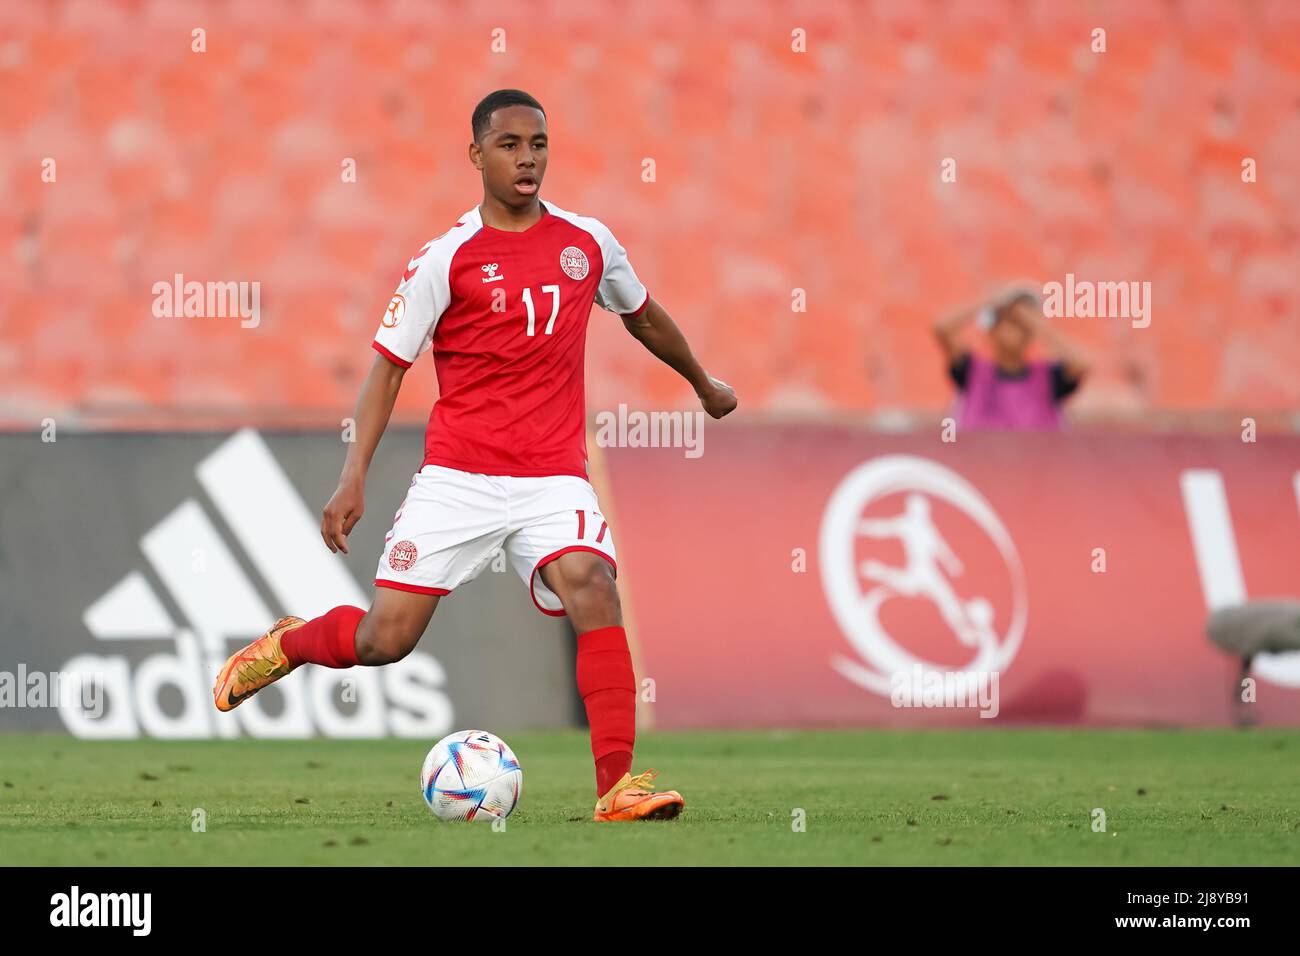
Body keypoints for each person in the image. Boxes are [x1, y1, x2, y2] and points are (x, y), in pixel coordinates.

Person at [212, 89, 737, 822]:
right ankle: (290, 645)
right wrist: (352, 474)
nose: (527, 159)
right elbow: (388, 367)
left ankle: (619, 788)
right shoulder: (445, 259)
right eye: (510, 145)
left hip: (553, 476)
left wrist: (704, 384)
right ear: (476, 155)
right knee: (383, 639)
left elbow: (642, 315)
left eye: (539, 145)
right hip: (459, 478)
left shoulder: (588, 243)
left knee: (592, 583)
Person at [932, 287, 1089, 429]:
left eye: (1023, 324)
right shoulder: (972, 371)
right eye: (1011, 321)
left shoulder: (1049, 377)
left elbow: (1082, 363)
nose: (1019, 330)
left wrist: (1037, 324)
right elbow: (942, 328)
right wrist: (989, 301)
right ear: (991, 331)